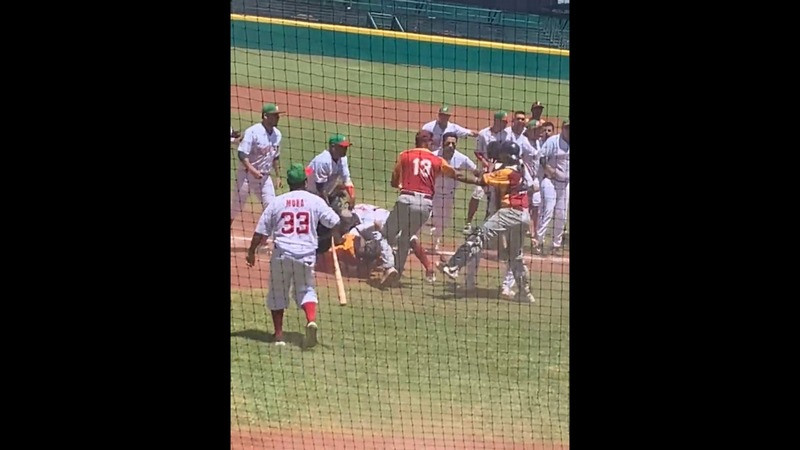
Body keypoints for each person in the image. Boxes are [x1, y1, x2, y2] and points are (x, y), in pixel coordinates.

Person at [245, 163, 341, 348]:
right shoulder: (314, 200)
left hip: (282, 255)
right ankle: (311, 320)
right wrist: (334, 236)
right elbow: (335, 221)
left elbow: (260, 233)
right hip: (306, 256)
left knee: (277, 293)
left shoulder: (277, 202)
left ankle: (279, 336)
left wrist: (251, 253)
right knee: (306, 290)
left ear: (289, 182)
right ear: (305, 182)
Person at [438, 141, 535, 303]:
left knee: (478, 236)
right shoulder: (522, 168)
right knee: (515, 256)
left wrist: (454, 174)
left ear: (504, 155)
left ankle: (453, 267)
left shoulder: (506, 172)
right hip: (524, 216)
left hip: (510, 212)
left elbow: (479, 180)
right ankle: (525, 293)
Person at [381, 130, 467, 287]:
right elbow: (454, 173)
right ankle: (398, 273)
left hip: (406, 199)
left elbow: (394, 181)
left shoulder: (404, 155)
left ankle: (389, 267)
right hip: (426, 204)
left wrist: (401, 184)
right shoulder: (437, 159)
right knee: (406, 237)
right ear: (429, 143)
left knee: (385, 235)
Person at [231, 103, 285, 228]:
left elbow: (275, 156)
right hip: (246, 176)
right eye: (275, 116)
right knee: (236, 207)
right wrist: (252, 170)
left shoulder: (277, 134)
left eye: (278, 116)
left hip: (265, 177)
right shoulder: (253, 132)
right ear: (265, 116)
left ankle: (264, 238)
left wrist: (278, 176)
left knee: (271, 207)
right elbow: (241, 154)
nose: (278, 118)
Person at [306, 133, 357, 253]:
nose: (345, 150)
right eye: (342, 147)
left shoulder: (342, 159)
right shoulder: (323, 161)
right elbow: (320, 189)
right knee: (318, 222)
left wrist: (352, 196)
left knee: (345, 217)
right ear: (333, 147)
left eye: (346, 147)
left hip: (327, 193)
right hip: (311, 194)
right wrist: (327, 208)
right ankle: (315, 247)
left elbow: (346, 179)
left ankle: (332, 243)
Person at [463, 111, 510, 235]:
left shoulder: (507, 135)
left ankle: (488, 224)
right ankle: (468, 222)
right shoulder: (484, 134)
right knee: (477, 194)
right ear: (497, 120)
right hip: (485, 170)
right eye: (504, 121)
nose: (506, 124)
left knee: (495, 200)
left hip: (500, 171)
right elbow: (478, 152)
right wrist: (485, 163)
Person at [429, 132, 477, 251]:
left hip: (449, 196)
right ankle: (411, 241)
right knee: (422, 217)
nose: (450, 146)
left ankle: (435, 241)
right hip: (431, 193)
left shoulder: (461, 158)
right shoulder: (433, 156)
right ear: (442, 143)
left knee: (443, 222)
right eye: (448, 143)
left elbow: (476, 170)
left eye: (453, 143)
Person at [537, 121, 570, 256]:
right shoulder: (553, 141)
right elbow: (542, 158)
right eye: (567, 128)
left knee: (561, 215)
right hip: (550, 182)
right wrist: (550, 170)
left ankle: (556, 244)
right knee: (548, 211)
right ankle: (538, 242)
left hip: (565, 184)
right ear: (563, 128)